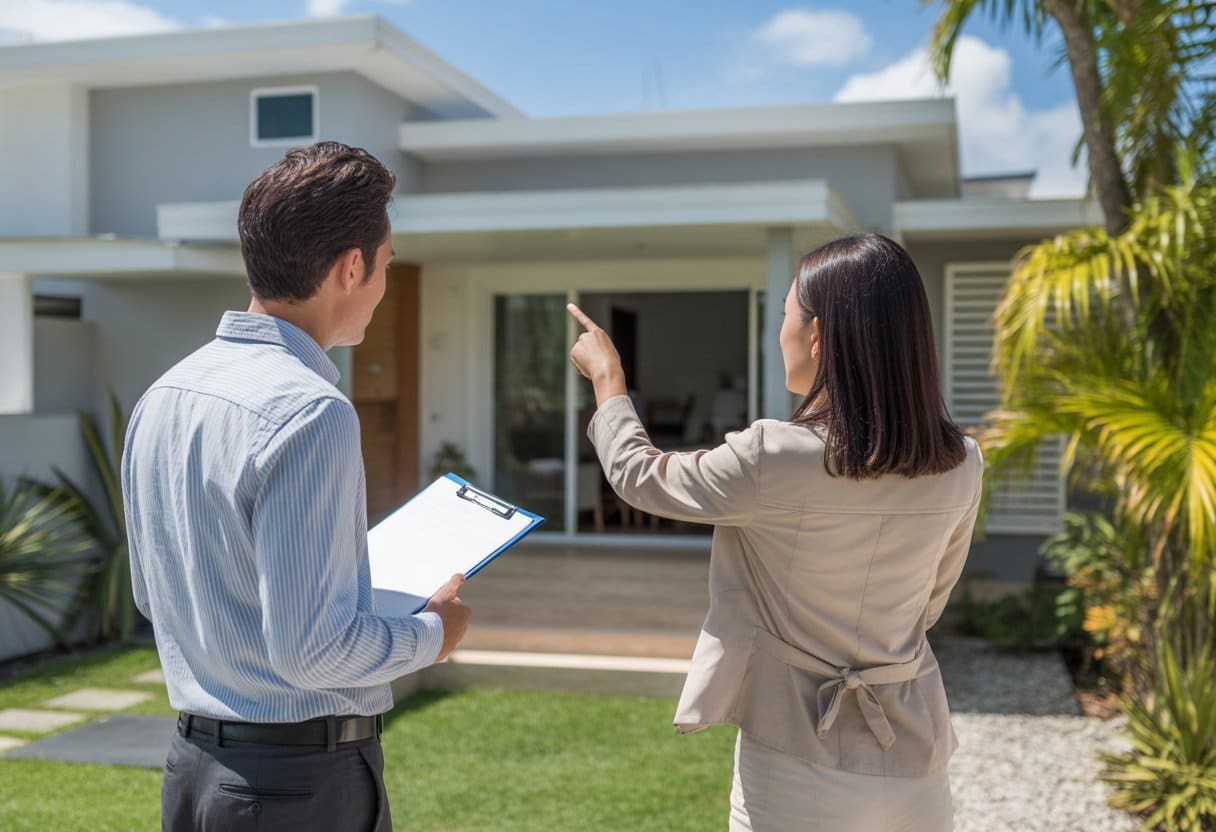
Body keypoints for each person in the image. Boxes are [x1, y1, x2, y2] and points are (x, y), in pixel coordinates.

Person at [568, 233, 981, 831]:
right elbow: (928, 604)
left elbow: (640, 476)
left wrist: (608, 379)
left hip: (797, 753)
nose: (779, 330)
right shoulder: (962, 461)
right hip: (913, 751)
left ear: (816, 335)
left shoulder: (776, 455)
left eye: (785, 313)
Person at [122, 141, 471, 832]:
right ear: (351, 268)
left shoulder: (164, 393)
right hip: (292, 788)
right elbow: (311, 650)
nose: (382, 284)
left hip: (194, 770)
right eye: (386, 267)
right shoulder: (311, 410)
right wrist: (435, 633)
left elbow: (151, 592)